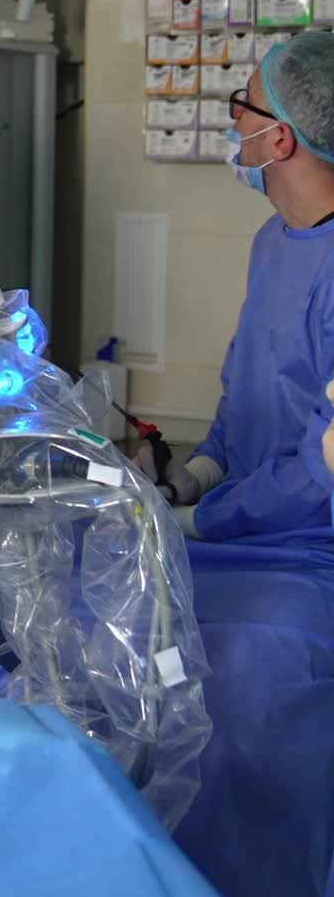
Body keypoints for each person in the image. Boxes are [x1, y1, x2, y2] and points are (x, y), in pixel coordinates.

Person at [156, 30, 334, 540]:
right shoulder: (273, 241)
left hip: (307, 553)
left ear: (281, 139)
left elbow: (321, 472)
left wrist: (200, 522)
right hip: (239, 521)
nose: (235, 119)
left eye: (246, 104)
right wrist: (199, 477)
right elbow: (246, 394)